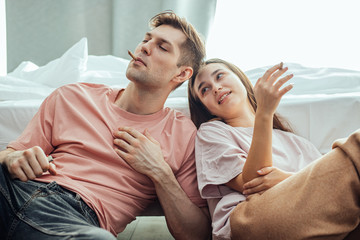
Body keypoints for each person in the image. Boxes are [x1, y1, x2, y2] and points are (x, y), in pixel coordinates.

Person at [0, 11, 211, 240]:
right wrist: (11, 158)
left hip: (73, 220)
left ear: (182, 73)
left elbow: (197, 234)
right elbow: (11, 154)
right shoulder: (72, 96)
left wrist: (159, 172)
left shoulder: (184, 134)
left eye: (162, 47)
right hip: (13, 191)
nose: (145, 47)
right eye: (146, 39)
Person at [188, 58, 360, 240]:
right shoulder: (211, 132)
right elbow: (254, 182)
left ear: (240, 78)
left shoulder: (295, 141)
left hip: (312, 218)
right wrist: (264, 112)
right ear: (205, 107)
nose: (215, 87)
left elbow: (322, 189)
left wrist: (286, 179)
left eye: (220, 76)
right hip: (250, 220)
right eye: (204, 89)